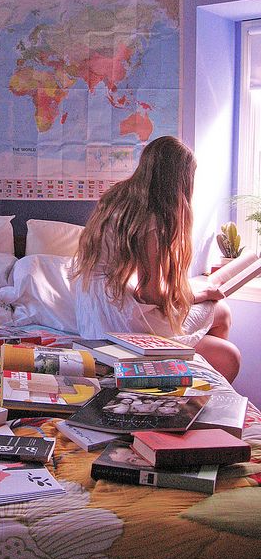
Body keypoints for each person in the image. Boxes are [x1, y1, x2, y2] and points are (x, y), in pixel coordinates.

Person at [73, 136, 241, 383]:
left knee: (219, 321)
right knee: (223, 317)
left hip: (95, 317)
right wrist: (198, 295)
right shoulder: (154, 217)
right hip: (125, 323)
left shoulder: (116, 198)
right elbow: (149, 294)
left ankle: (196, 364)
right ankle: (196, 380)